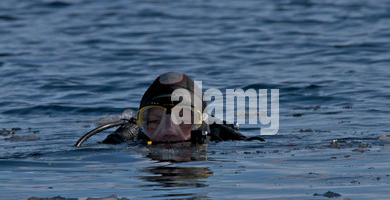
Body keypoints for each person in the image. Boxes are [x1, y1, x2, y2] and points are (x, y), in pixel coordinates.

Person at [75, 72, 263, 147]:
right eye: (154, 122)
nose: (167, 131)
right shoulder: (133, 141)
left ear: (201, 124)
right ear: (141, 126)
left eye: (182, 120)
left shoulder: (216, 136)